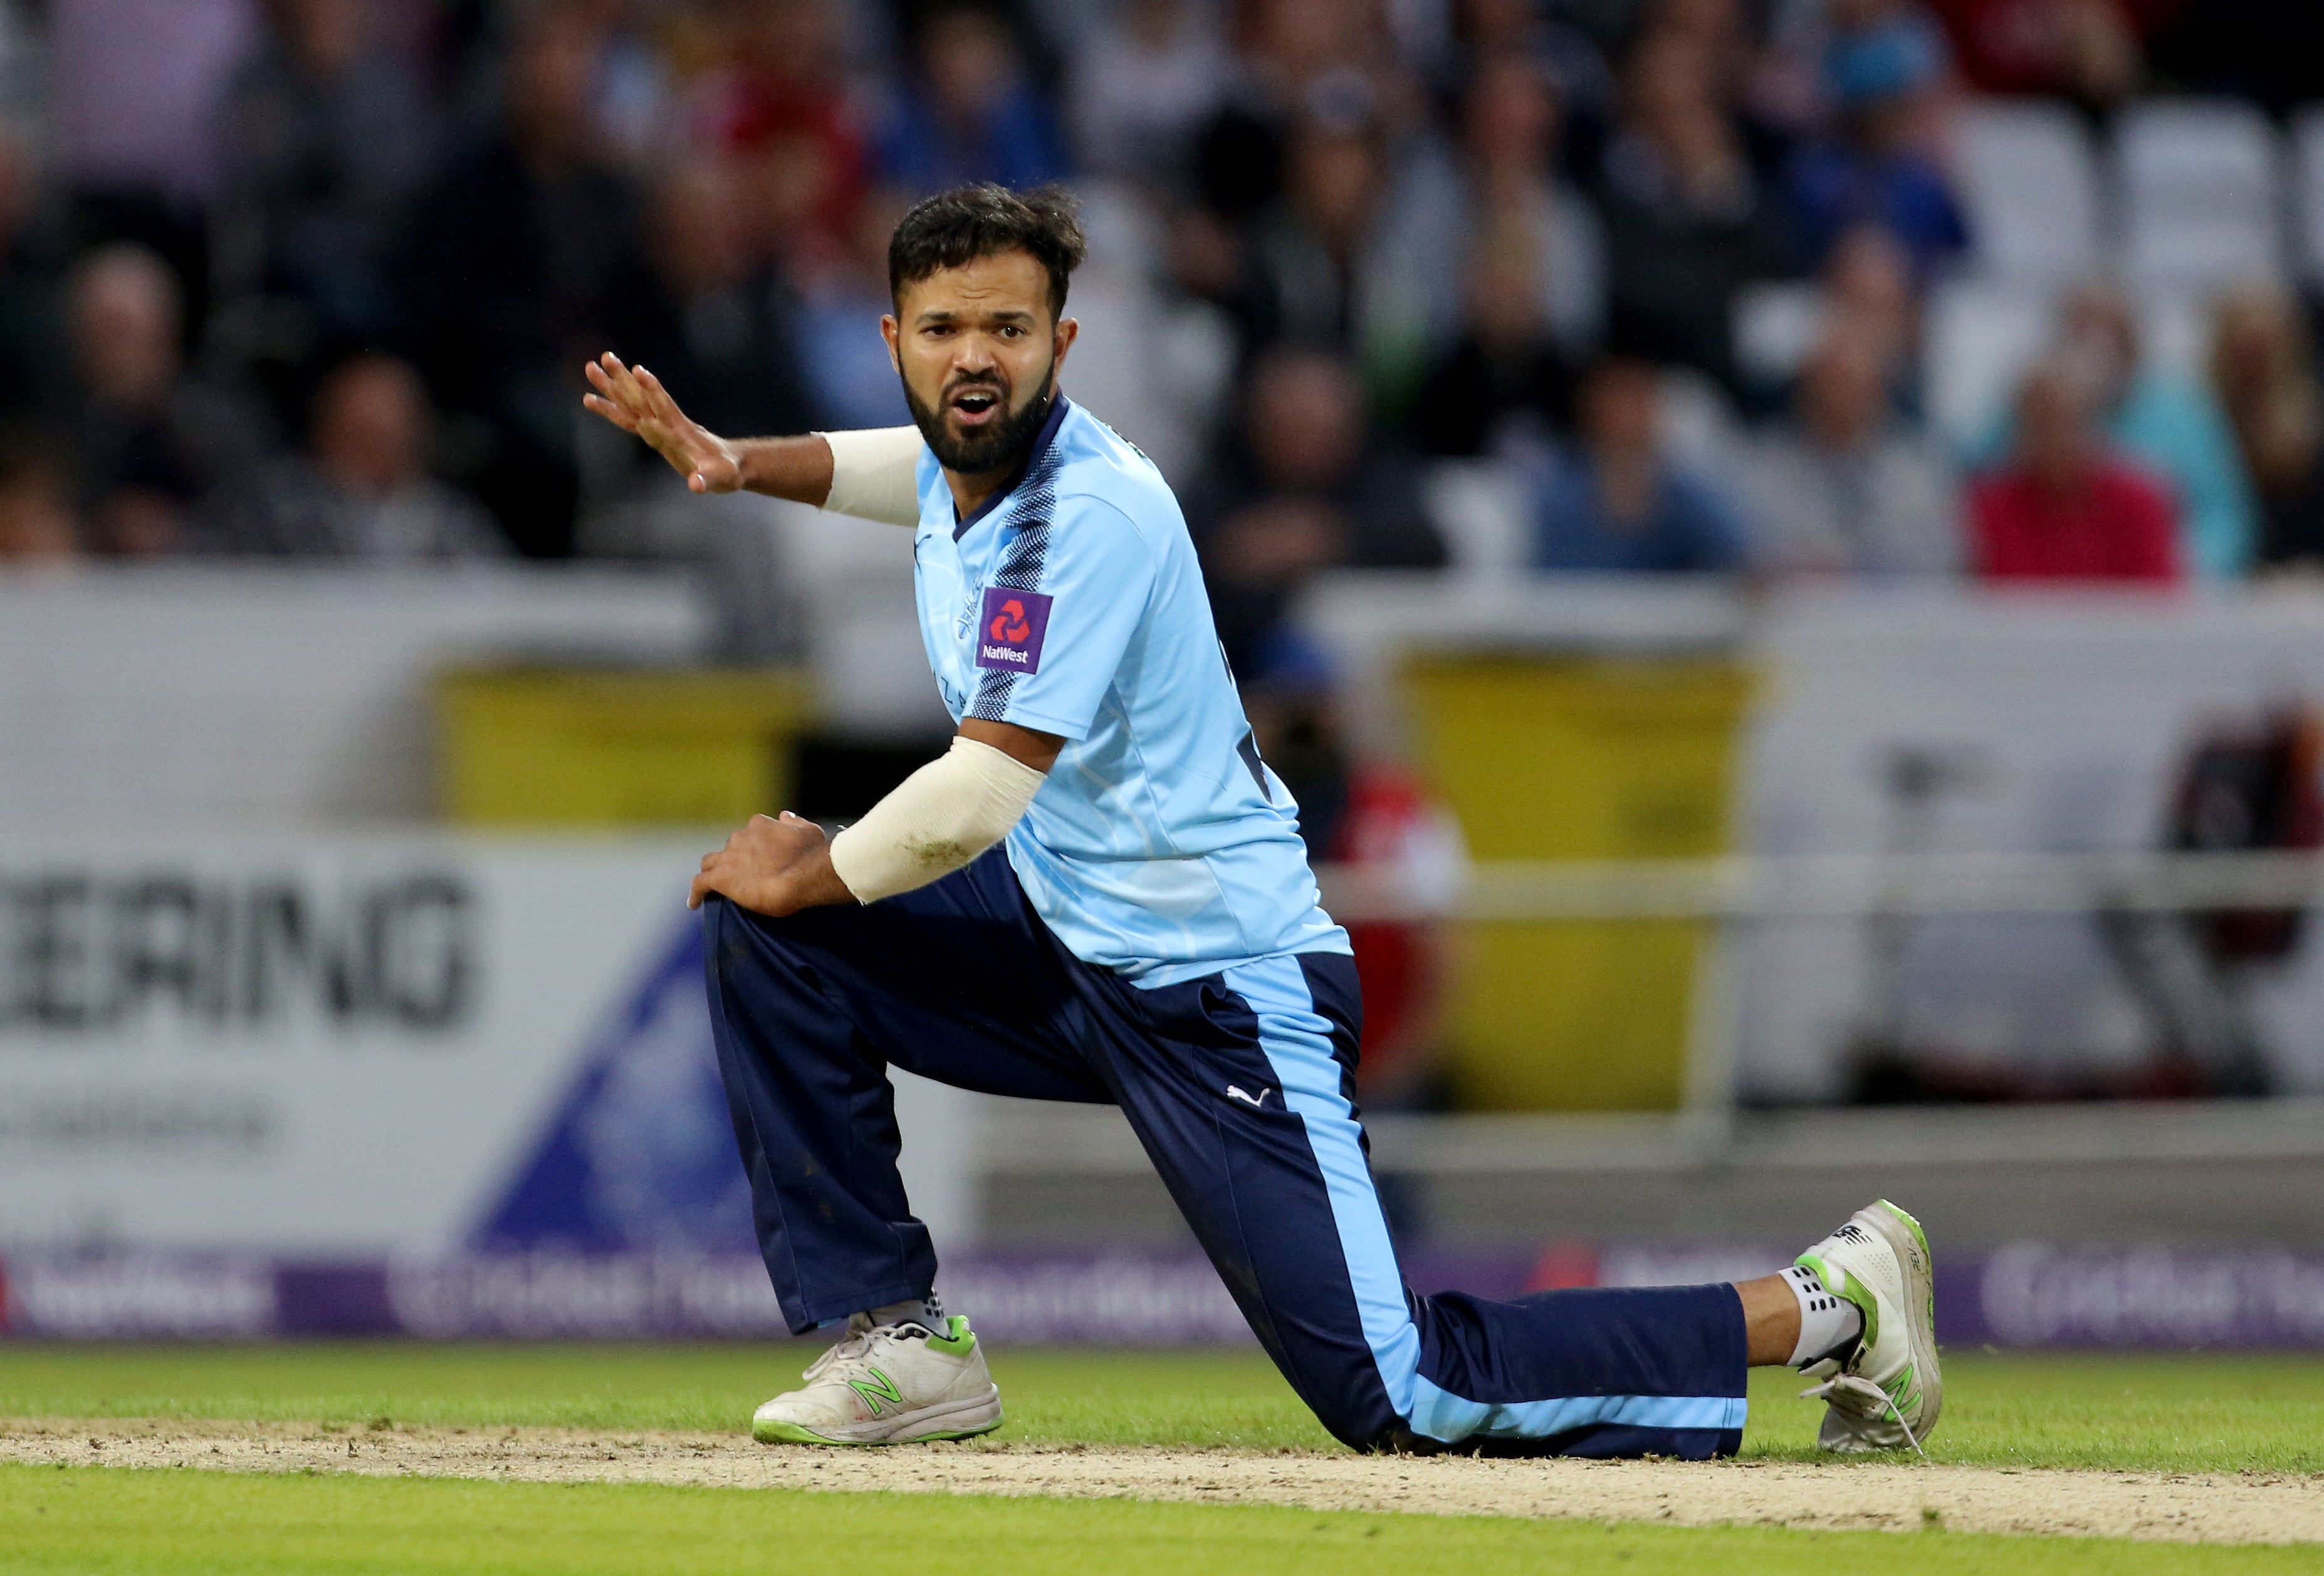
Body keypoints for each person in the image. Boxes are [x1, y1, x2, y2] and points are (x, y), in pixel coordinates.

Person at [580, 181, 1939, 1457]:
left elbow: (978, 797)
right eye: (941, 331)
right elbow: (902, 469)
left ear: (1063, 339)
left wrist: (813, 860)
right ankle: (905, 1344)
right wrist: (735, 460)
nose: (971, 361)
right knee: (775, 943)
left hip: (1218, 985)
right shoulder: (969, 455)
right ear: (894, 341)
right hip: (1068, 933)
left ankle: (1830, 1305)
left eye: (1006, 328)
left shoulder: (1083, 515)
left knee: (1400, 1392)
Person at [1739, 329, 1958, 575]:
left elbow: (1943, 561)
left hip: (1897, 610)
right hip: (1800, 609)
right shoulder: (1762, 468)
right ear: (1806, 391)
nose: (1843, 397)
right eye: (1832, 383)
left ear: (1880, 393)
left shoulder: (1918, 472)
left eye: (1858, 384)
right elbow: (1751, 556)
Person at [1533, 354, 1749, 572]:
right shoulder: (1556, 494)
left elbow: (1744, 557)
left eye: (1639, 401)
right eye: (1617, 402)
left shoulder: (1687, 493)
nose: (1628, 416)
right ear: (1590, 409)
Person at [1968, 362, 2180, 583]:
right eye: (2041, 426)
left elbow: (2161, 601)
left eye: (2070, 425)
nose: (2056, 440)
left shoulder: (2140, 504)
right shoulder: (1989, 509)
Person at [2209, 285, 2324, 574]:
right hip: (2226, 577)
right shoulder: (2200, 417)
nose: (2253, 365)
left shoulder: (2311, 420)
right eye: (2244, 352)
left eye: (2263, 350)